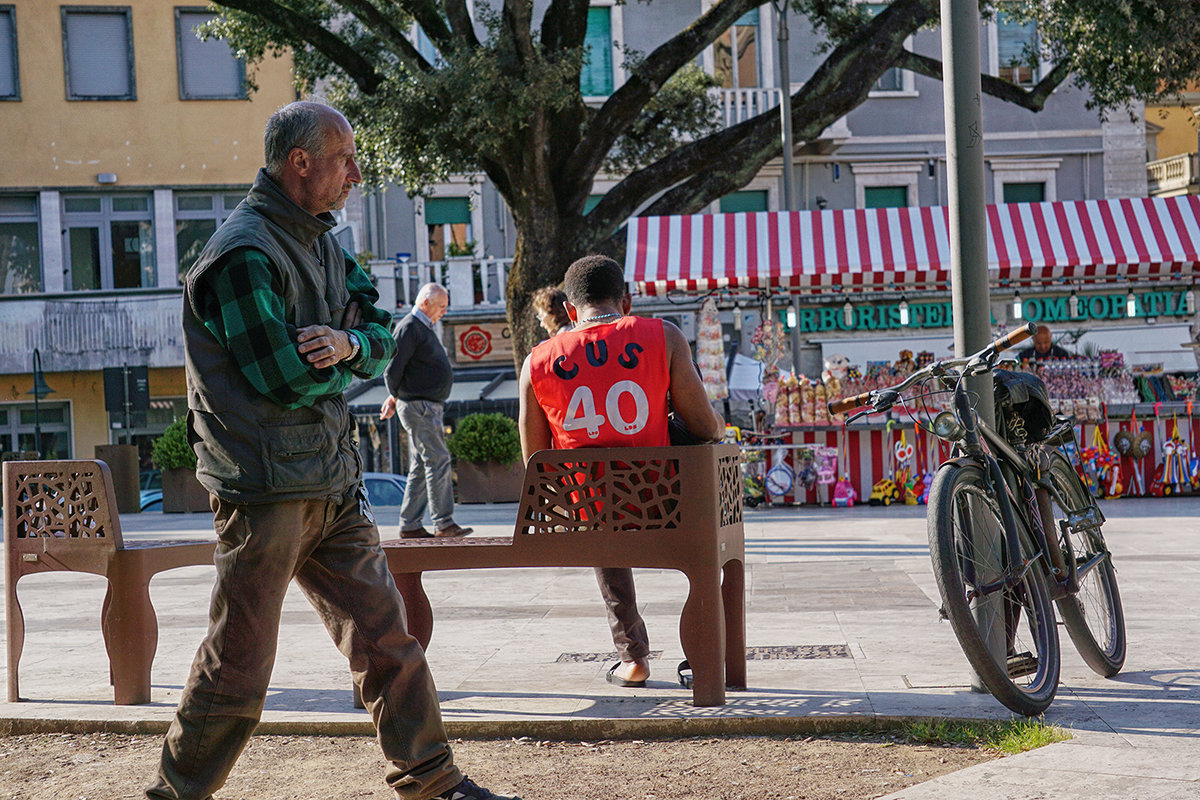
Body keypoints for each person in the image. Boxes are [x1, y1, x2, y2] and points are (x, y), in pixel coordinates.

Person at [150, 100, 516, 800]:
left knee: (388, 643)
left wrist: (348, 342)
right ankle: (175, 795)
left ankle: (433, 782)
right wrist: (346, 347)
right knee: (239, 665)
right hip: (264, 490)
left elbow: (382, 331)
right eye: (345, 157)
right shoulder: (241, 254)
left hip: (330, 481)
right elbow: (282, 377)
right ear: (300, 163)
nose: (356, 172)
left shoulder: (323, 241)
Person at [517, 254, 725, 687]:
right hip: (665, 504)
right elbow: (706, 427)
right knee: (696, 452)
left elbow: (534, 461)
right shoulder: (663, 337)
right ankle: (706, 657)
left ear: (570, 311)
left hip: (591, 514)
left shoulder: (536, 361)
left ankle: (634, 658)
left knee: (594, 500)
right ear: (626, 301)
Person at [379, 283, 474, 538]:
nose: (444, 311)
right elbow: (392, 369)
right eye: (441, 306)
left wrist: (394, 397)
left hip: (422, 405)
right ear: (425, 303)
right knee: (438, 460)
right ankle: (443, 522)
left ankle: (409, 525)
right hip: (420, 407)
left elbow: (405, 369)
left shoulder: (422, 328)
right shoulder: (411, 327)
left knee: (422, 465)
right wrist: (397, 396)